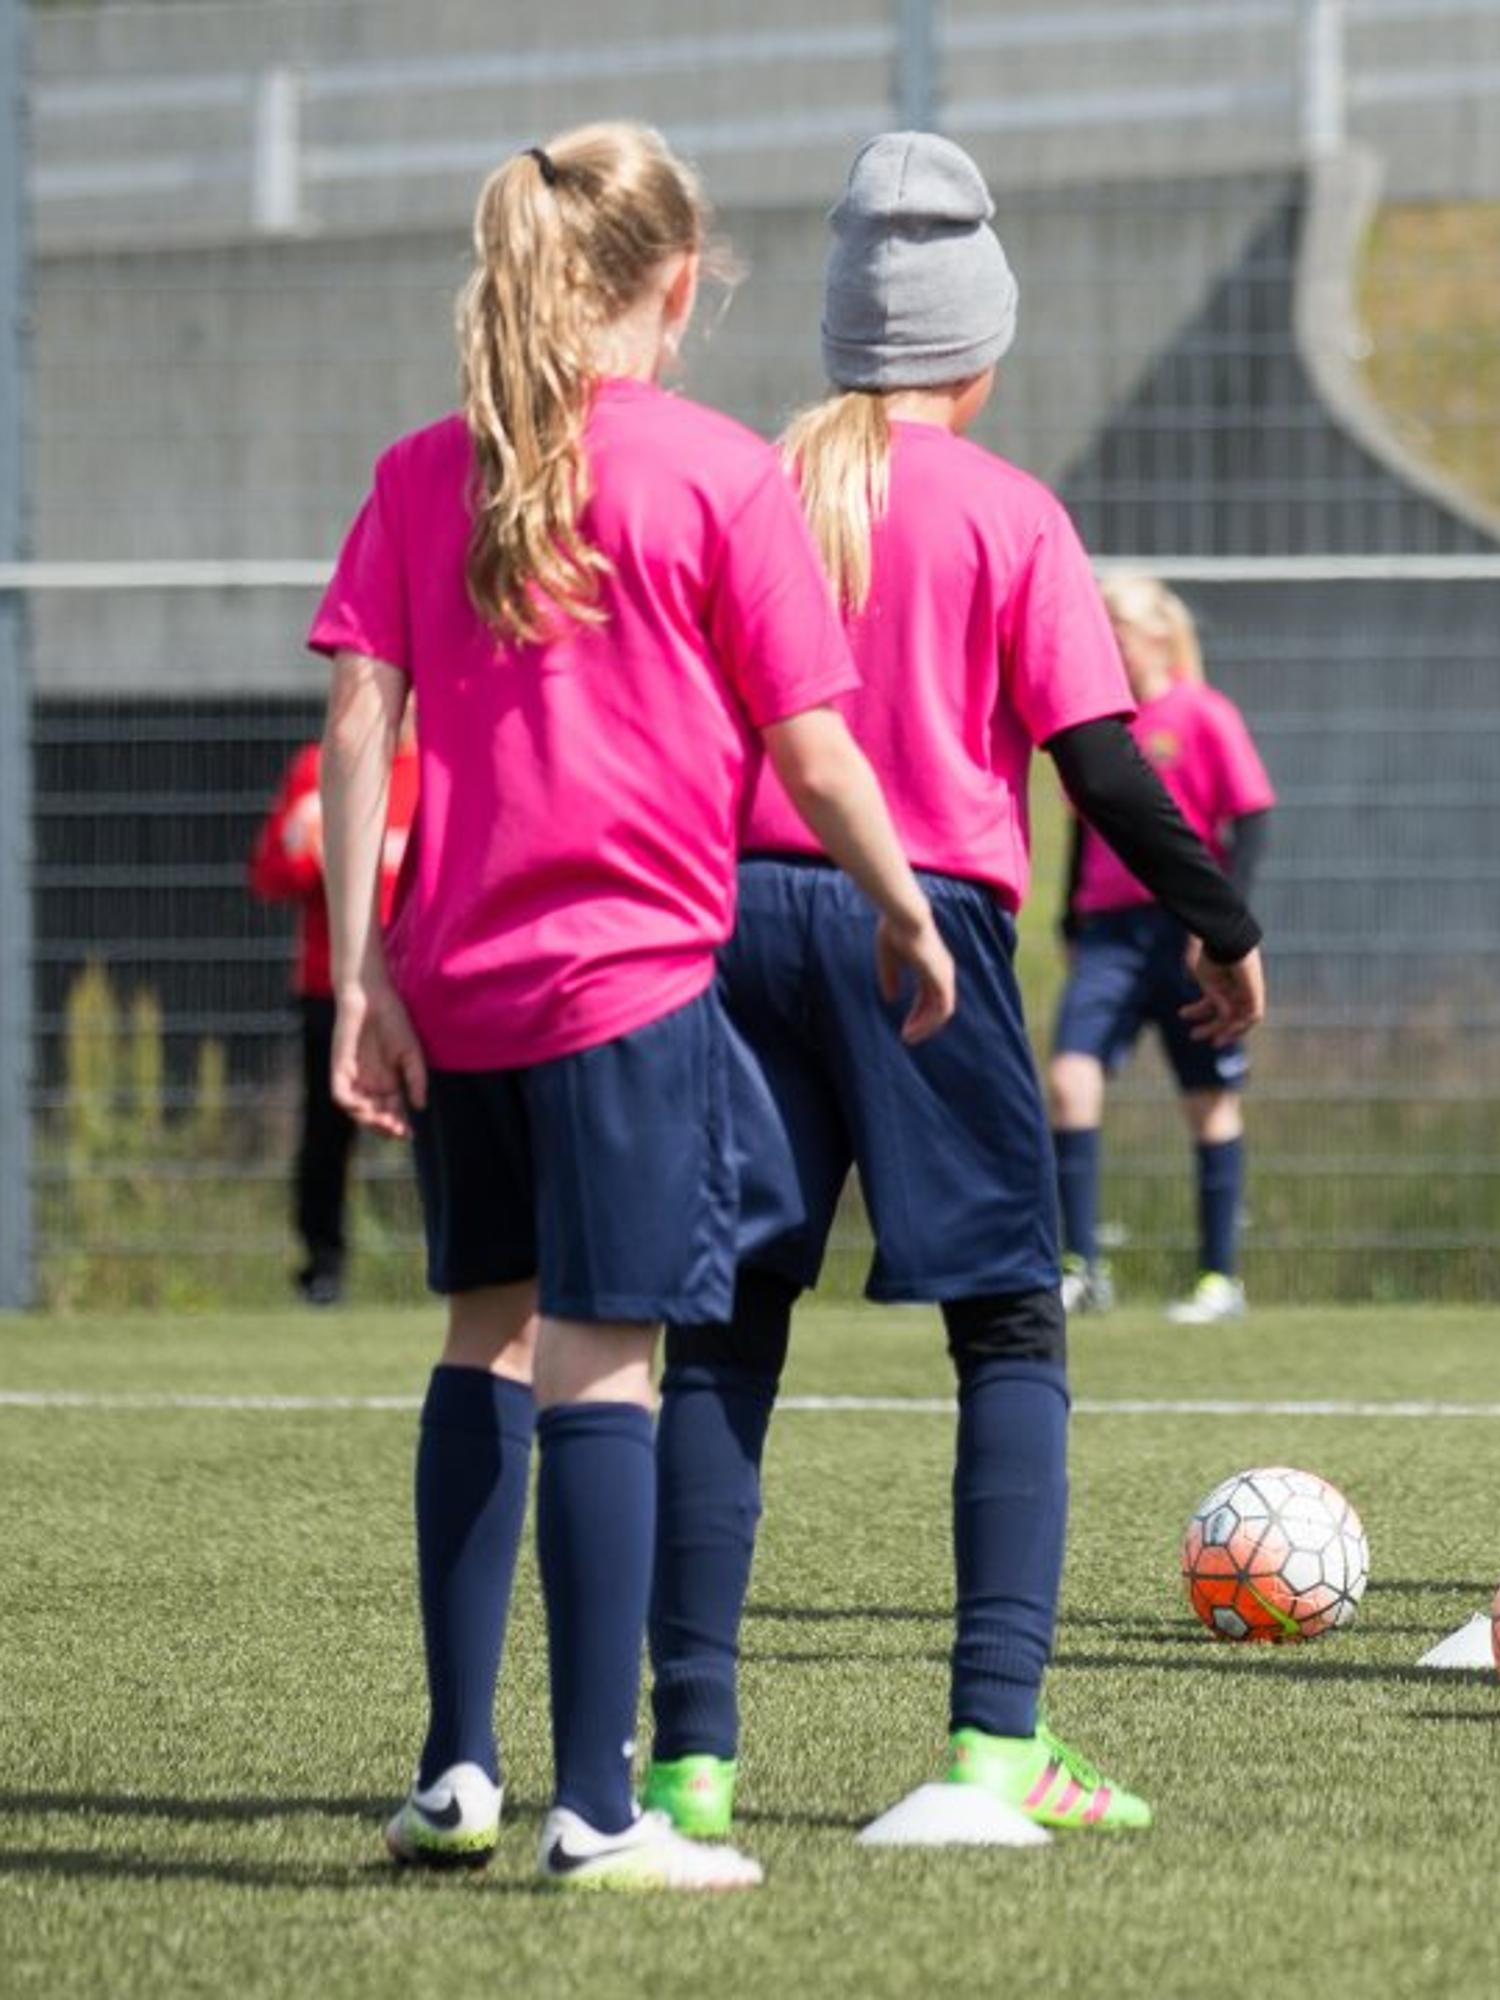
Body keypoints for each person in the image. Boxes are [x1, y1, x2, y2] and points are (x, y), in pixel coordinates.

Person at [314, 122, 954, 1892]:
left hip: (458, 985)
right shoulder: (718, 471)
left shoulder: (421, 469)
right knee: (608, 1363)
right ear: (681, 285)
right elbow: (814, 751)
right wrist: (909, 911)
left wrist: (368, 964)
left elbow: (359, 717)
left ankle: (458, 1769)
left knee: (483, 1338)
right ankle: (600, 1811)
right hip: (627, 988)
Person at [641, 131, 1264, 1844]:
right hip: (924, 930)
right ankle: (995, 1744)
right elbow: (1108, 771)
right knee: (1008, 1325)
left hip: (738, 920)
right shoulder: (1011, 511)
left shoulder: (748, 488)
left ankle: (688, 1760)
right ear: (980, 343)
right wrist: (1224, 923)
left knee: (720, 1328)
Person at [1046, 574, 1276, 1326]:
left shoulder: (1203, 715)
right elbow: (1088, 826)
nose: (1102, 642)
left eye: (1114, 627)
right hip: (1109, 934)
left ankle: (1219, 1277)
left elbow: (1252, 819)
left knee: (1208, 1101)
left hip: (1181, 937)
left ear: (1150, 636)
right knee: (1069, 1080)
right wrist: (1070, 925)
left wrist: (1220, 927)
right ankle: (1080, 1265)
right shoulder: (1098, 722)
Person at [246, 724, 417, 1303]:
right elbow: (272, 873)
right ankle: (322, 1267)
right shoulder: (320, 768)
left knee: (453, 1132)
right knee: (326, 1135)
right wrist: (307, 848)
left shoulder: (445, 765)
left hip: (428, 986)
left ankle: (471, 1264)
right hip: (332, 989)